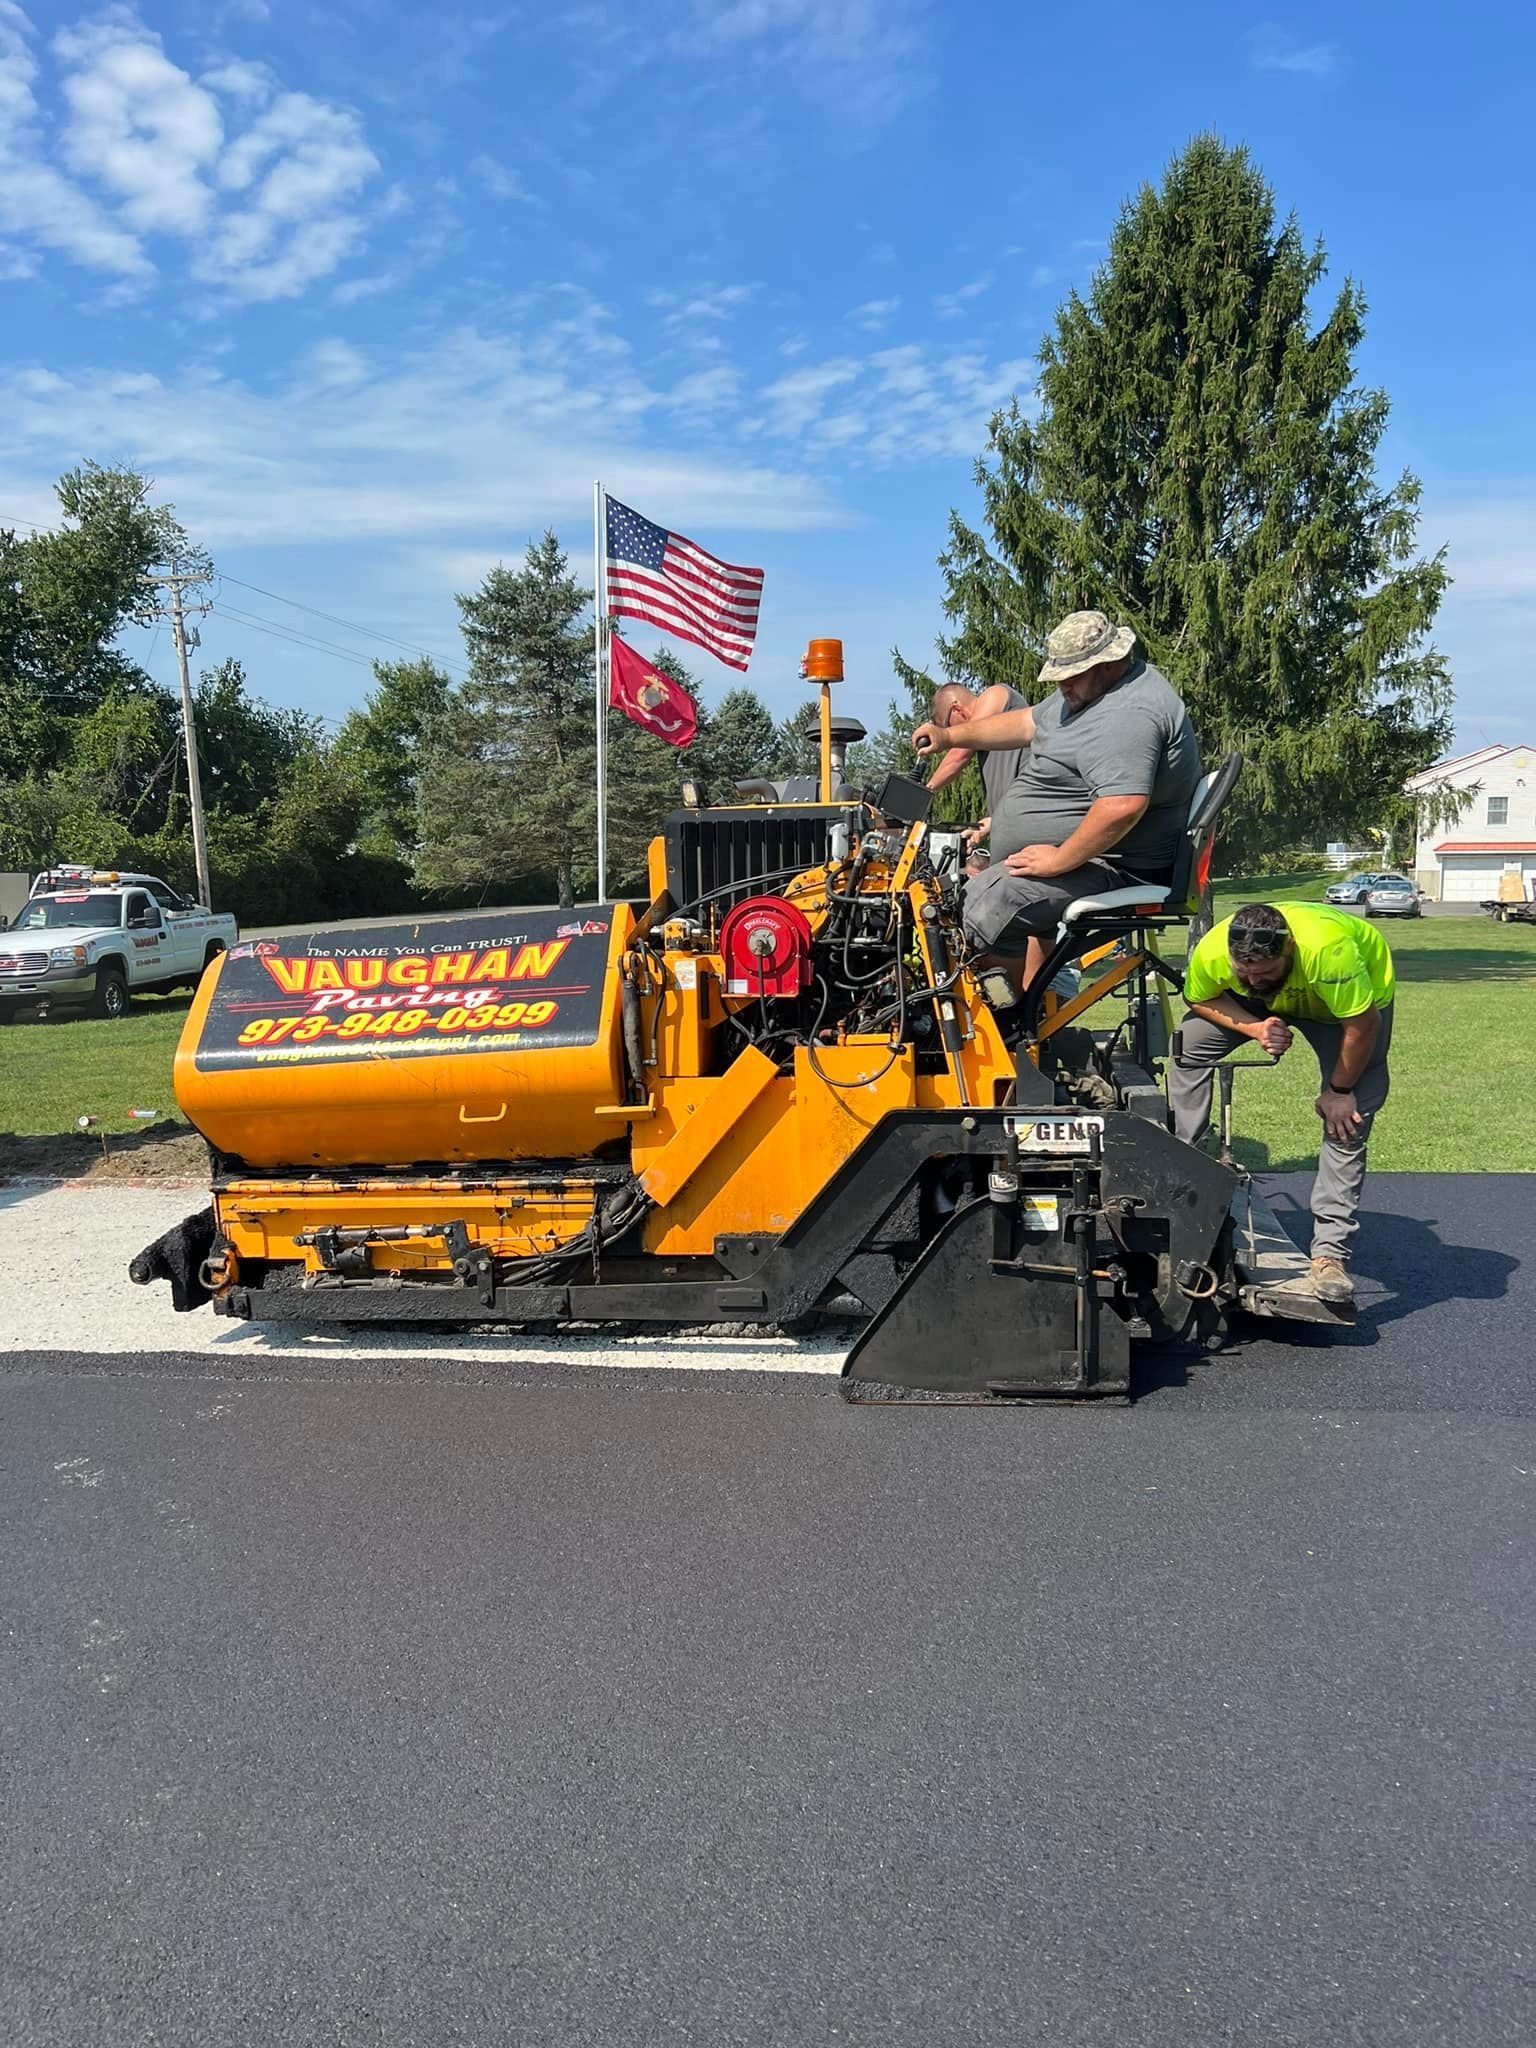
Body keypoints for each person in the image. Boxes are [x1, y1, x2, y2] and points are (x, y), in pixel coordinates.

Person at [911, 611, 1201, 961]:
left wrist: (1058, 860)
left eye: (1071, 676)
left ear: (1110, 663)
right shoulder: (1087, 695)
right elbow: (1023, 723)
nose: (1062, 685)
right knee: (951, 903)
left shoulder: (1129, 714)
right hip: (1085, 861)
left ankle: (994, 1016)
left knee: (978, 909)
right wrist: (949, 735)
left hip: (1115, 867)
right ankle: (1016, 1012)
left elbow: (1122, 805)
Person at [1170, 901, 1395, 1306]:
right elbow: (1199, 999)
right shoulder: (1213, 952)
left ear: (1288, 948)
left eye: (1266, 972)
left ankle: (1330, 1255)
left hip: (1342, 1010)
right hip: (1267, 1008)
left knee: (1347, 1121)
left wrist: (1339, 1091)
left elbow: (1362, 1026)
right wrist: (1257, 1026)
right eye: (1246, 972)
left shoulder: (1330, 953)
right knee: (1189, 1044)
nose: (1255, 980)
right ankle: (1185, 1167)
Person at [922, 680, 1033, 864]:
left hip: (1028, 826)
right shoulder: (987, 744)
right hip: (1009, 827)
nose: (952, 734)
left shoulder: (995, 694)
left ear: (957, 709)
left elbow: (959, 754)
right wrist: (985, 825)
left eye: (949, 727)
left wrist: (924, 792)